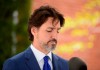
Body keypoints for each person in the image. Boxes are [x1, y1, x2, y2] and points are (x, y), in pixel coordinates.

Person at [3, 5, 69, 70]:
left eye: (57, 31)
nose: (54, 36)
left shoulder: (66, 65)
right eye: (49, 30)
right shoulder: (14, 64)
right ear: (34, 31)